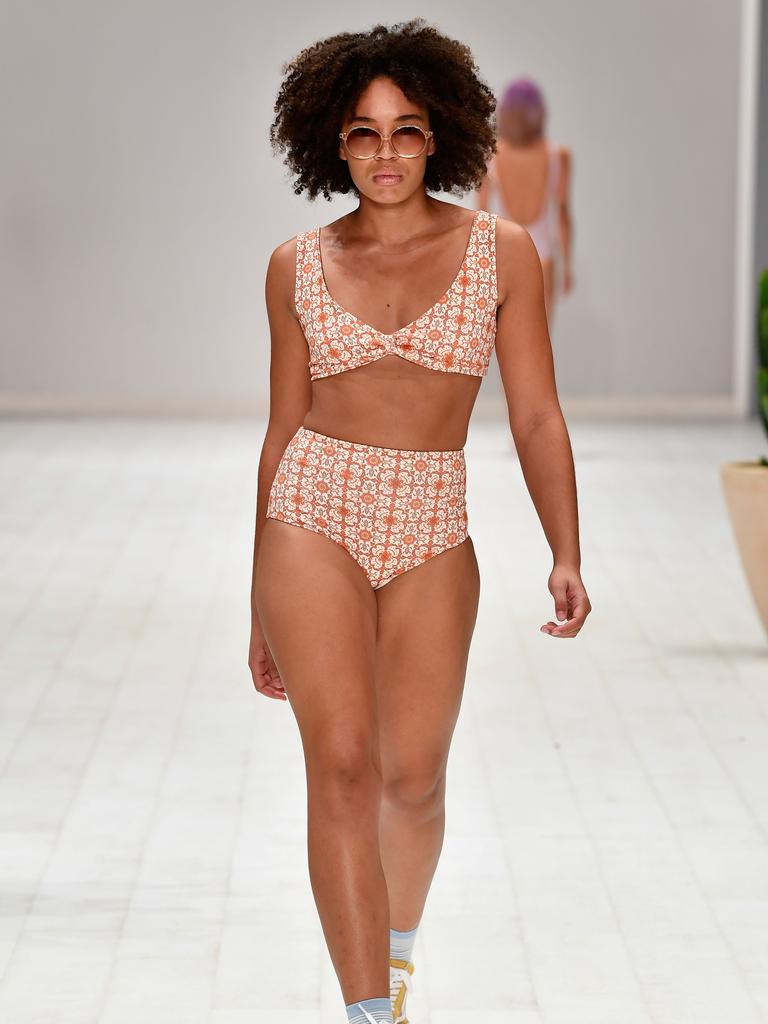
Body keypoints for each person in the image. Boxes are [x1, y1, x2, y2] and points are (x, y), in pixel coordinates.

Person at [249, 19, 591, 1024]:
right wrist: (254, 598)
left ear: (439, 135)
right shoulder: (293, 265)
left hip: (435, 519)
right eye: (364, 133)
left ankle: (392, 967)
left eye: (405, 131)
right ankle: (366, 1014)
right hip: (312, 509)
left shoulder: (502, 253)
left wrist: (566, 548)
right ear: (333, 142)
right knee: (344, 766)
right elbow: (280, 434)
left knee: (415, 778)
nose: (386, 153)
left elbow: (535, 412)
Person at [477, 77, 574, 322]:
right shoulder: (557, 155)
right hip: (543, 257)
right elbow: (562, 213)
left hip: (506, 256)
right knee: (541, 345)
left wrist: (481, 265)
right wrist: (567, 266)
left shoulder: (491, 154)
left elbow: (482, 214)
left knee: (508, 344)